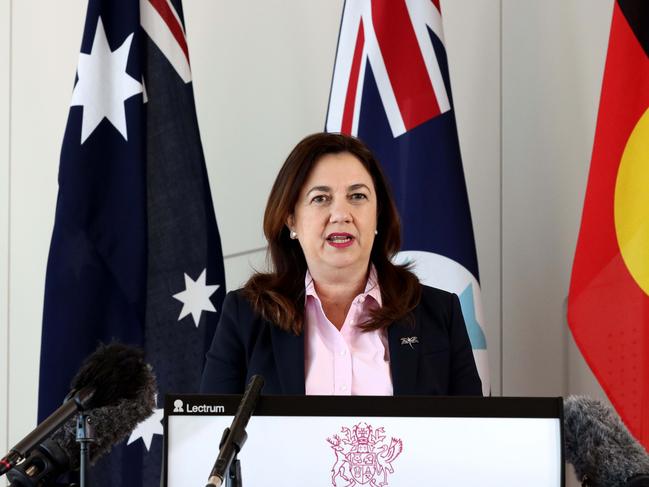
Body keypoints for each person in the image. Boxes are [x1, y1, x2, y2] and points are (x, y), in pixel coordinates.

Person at [200, 132, 482, 396]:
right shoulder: (246, 316)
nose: (341, 214)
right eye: (320, 198)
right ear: (291, 220)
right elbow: (211, 437)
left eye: (357, 196)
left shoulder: (439, 314)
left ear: (377, 215)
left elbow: (472, 436)